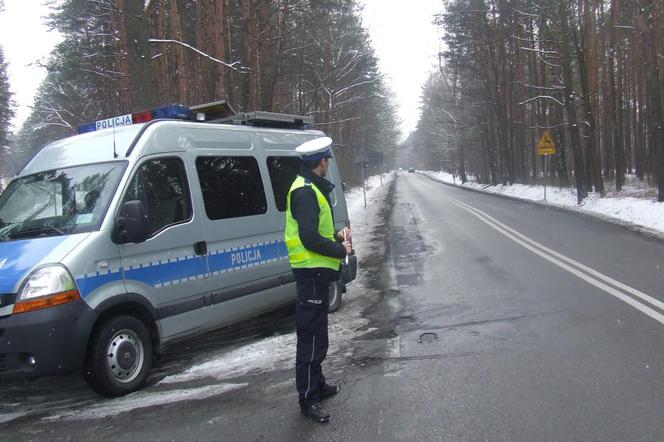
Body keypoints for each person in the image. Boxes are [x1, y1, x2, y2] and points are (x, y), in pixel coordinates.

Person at [285, 137, 352, 423]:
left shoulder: (309, 187)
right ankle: (308, 398)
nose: (328, 165)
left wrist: (336, 236)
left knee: (318, 336)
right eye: (328, 161)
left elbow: (316, 231)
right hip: (310, 274)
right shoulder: (304, 192)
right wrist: (340, 249)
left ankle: (318, 384)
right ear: (321, 162)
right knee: (310, 339)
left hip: (317, 274)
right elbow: (308, 238)